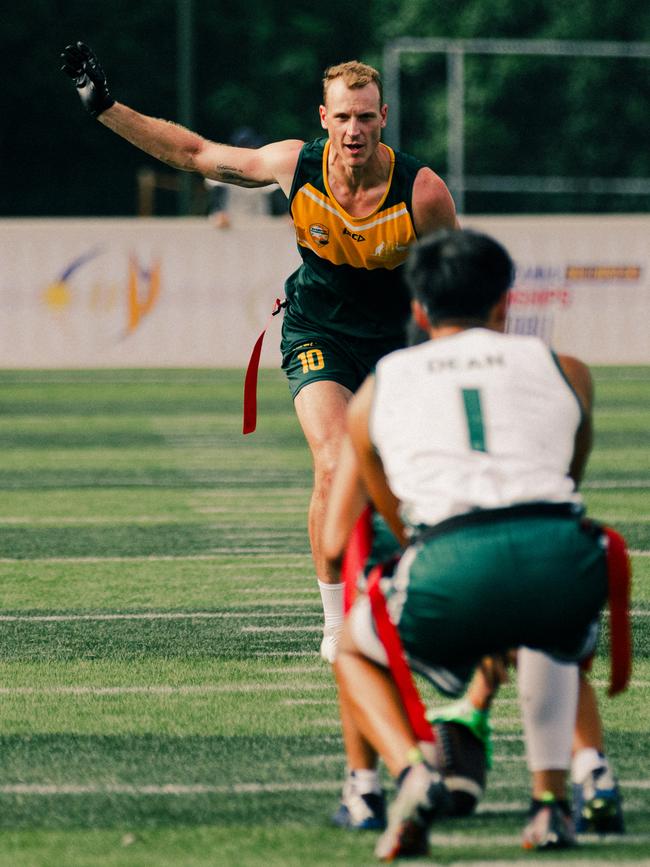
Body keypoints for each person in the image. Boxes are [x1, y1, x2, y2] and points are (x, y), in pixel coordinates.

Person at [60, 45, 458, 661]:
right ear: (323, 119)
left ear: (385, 118)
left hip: (396, 348)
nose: (355, 130)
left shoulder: (424, 192)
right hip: (317, 334)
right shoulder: (291, 166)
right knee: (332, 462)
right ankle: (336, 623)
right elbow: (194, 154)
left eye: (367, 118)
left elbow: (457, 288)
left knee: (402, 482)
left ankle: (410, 597)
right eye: (343, 118)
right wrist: (106, 108)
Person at [323, 228, 614, 858]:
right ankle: (551, 806)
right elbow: (566, 481)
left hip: (449, 562)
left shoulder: (381, 382)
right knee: (549, 628)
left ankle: (409, 771)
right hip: (560, 558)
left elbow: (357, 526)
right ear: (506, 303)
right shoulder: (568, 370)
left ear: (419, 310)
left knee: (350, 647)